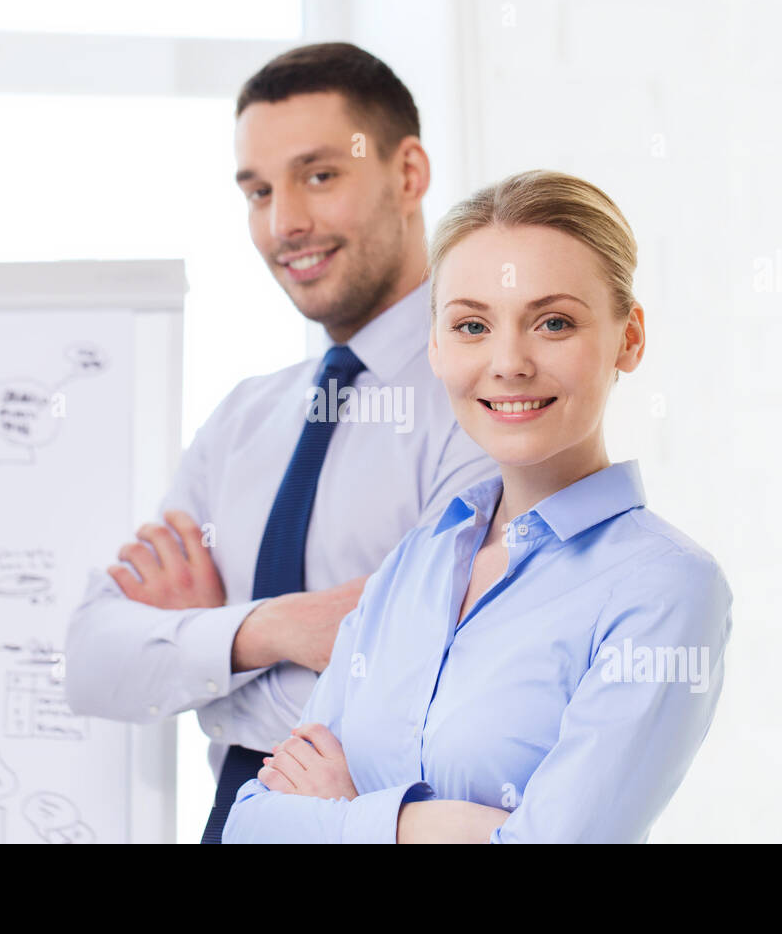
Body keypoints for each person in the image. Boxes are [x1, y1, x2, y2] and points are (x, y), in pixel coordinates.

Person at [63, 43, 496, 843]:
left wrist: (201, 657)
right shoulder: (243, 421)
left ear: (408, 174)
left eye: (318, 175)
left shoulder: (485, 398)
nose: (283, 222)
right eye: (258, 190)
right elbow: (92, 662)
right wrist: (272, 628)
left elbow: (443, 686)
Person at [223, 170, 734, 843]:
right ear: (435, 344)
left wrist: (348, 815)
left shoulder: (665, 587)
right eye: (471, 325)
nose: (509, 362)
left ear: (629, 338)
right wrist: (435, 826)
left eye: (553, 322)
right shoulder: (417, 560)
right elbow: (252, 825)